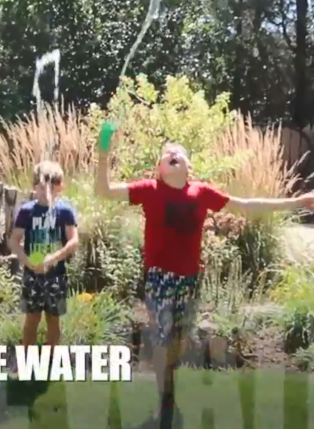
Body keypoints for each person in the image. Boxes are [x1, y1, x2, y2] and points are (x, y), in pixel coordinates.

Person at [95, 138, 314, 429]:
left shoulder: (201, 193)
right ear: (159, 169)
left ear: (189, 168)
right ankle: (165, 397)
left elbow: (246, 205)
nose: (173, 153)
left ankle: (168, 386)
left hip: (189, 280)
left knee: (178, 340)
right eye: (166, 154)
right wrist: (103, 153)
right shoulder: (149, 190)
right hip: (159, 276)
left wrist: (297, 201)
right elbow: (104, 192)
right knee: (162, 335)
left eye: (179, 153)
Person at [9, 161, 79, 350]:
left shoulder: (65, 211)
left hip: (56, 274)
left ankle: (51, 363)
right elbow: (14, 241)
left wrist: (54, 258)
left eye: (51, 187)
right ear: (34, 187)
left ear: (60, 187)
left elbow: (73, 241)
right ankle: (26, 360)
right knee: (31, 319)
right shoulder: (27, 211)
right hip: (32, 275)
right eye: (41, 187)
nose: (46, 192)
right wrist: (27, 261)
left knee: (53, 320)